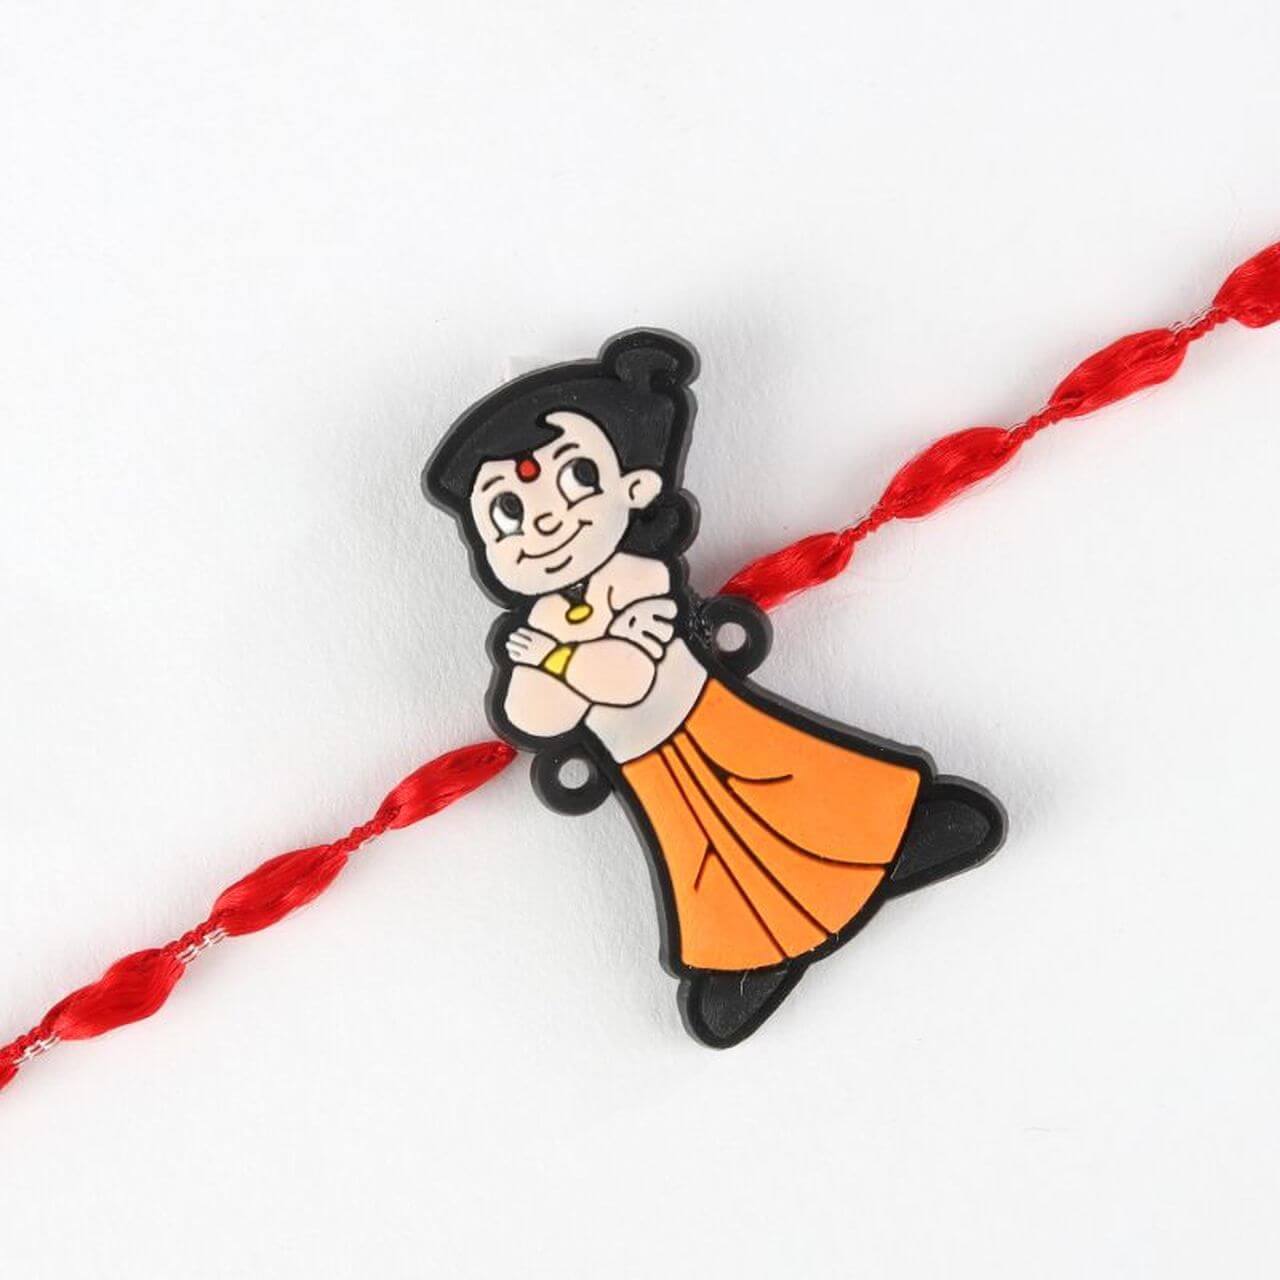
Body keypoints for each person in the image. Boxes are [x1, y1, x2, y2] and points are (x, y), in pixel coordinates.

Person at [425, 330, 1005, 1047]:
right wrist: (562, 669)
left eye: (575, 479)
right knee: (700, 858)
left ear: (636, 487)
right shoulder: (540, 622)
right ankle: (743, 957)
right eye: (506, 512)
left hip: (707, 721)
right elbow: (529, 713)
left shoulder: (642, 580)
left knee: (796, 788)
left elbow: (627, 676)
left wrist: (561, 664)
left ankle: (902, 836)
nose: (543, 520)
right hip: (643, 766)